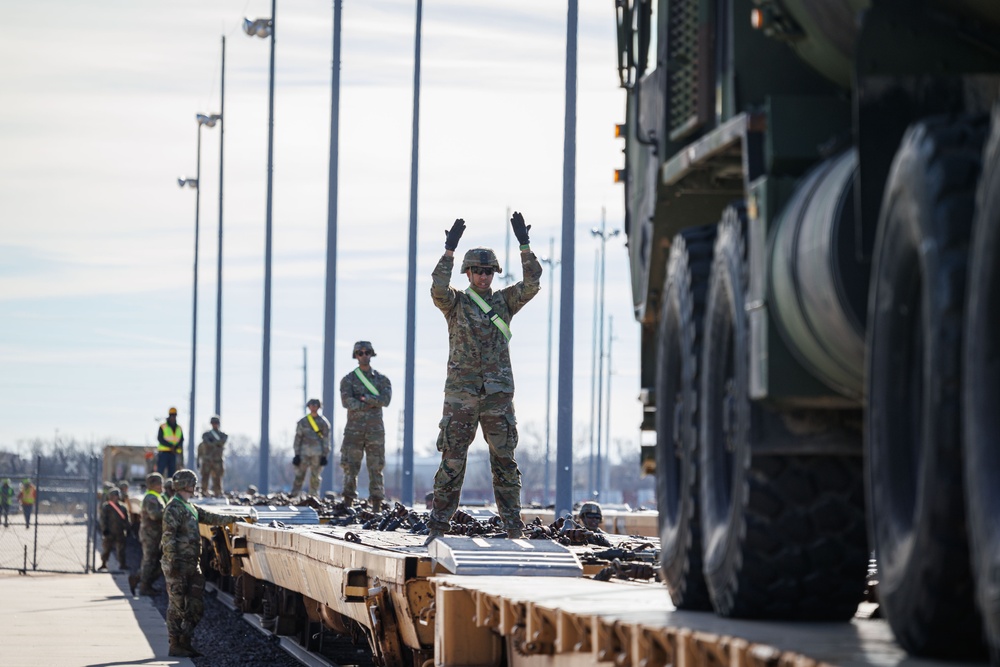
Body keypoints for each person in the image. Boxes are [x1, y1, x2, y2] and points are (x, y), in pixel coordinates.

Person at [425, 213, 541, 544]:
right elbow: (437, 288)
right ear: (468, 273)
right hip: (461, 394)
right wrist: (449, 251)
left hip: (497, 396)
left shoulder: (504, 301)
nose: (483, 276)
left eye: (488, 271)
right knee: (452, 460)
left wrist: (525, 246)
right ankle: (438, 525)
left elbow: (532, 284)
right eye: (477, 270)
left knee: (504, 460)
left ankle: (512, 525)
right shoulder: (455, 303)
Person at [161, 469, 237, 657]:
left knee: (196, 606)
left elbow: (211, 517)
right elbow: (168, 537)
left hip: (192, 564)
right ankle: (175, 643)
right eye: (193, 483)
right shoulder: (173, 508)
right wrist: (172, 563)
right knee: (177, 605)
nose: (195, 487)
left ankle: (185, 641)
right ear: (186, 485)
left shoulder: (190, 507)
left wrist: (233, 519)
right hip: (177, 565)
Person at [340, 340, 392, 510]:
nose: (364, 356)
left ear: (371, 354)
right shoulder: (348, 379)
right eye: (360, 353)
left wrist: (365, 398)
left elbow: (386, 400)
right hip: (354, 431)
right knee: (350, 467)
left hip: (375, 430)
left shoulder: (382, 380)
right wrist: (370, 403)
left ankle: (377, 503)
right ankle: (348, 502)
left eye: (367, 352)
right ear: (355, 356)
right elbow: (347, 402)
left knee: (376, 467)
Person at [129, 472, 166, 596]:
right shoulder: (151, 498)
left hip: (154, 535)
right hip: (150, 535)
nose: (162, 486)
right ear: (153, 485)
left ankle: (140, 581)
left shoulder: (154, 496)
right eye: (159, 484)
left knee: (154, 562)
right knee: (149, 561)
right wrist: (168, 512)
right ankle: (143, 587)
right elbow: (154, 515)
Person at [290, 399, 331, 497]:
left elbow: (326, 439)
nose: (313, 407)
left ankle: (313, 496)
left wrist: (325, 455)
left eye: (315, 405)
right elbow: (298, 438)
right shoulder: (303, 422)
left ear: (318, 407)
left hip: (317, 453)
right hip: (304, 452)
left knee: (315, 476)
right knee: (299, 474)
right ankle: (295, 495)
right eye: (311, 405)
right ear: (308, 406)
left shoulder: (323, 422)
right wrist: (296, 454)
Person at [98, 488, 129, 570]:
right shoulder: (107, 507)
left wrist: (128, 528)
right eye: (114, 496)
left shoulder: (123, 507)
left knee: (121, 550)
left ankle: (123, 564)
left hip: (120, 532)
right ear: (110, 497)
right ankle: (104, 563)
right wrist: (105, 529)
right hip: (110, 532)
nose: (116, 498)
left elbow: (126, 519)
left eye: (117, 496)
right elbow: (103, 519)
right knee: (106, 549)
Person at [197, 415, 228, 496]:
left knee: (217, 478)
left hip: (217, 460)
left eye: (216, 423)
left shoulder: (222, 435)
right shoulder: (206, 434)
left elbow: (222, 442)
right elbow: (206, 442)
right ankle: (204, 491)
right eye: (213, 423)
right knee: (205, 477)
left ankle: (218, 492)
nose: (215, 425)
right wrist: (215, 443)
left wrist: (213, 443)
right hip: (207, 459)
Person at [157, 407, 184, 478]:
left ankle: (170, 487)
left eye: (174, 415)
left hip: (174, 453)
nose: (173, 417)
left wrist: (176, 448)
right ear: (169, 415)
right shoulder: (163, 426)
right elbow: (160, 439)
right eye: (171, 415)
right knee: (160, 471)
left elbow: (181, 440)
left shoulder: (179, 428)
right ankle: (157, 485)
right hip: (164, 452)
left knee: (172, 472)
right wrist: (171, 446)